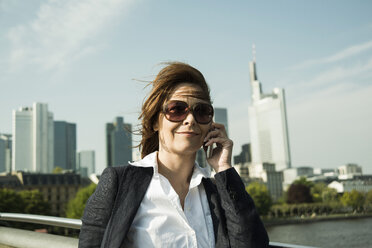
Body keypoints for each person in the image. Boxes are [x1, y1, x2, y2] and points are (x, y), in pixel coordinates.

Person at [78, 62, 269, 248]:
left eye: (201, 111)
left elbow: (253, 243)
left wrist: (223, 169)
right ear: (155, 122)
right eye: (177, 109)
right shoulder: (119, 183)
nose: (190, 120)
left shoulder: (217, 191)